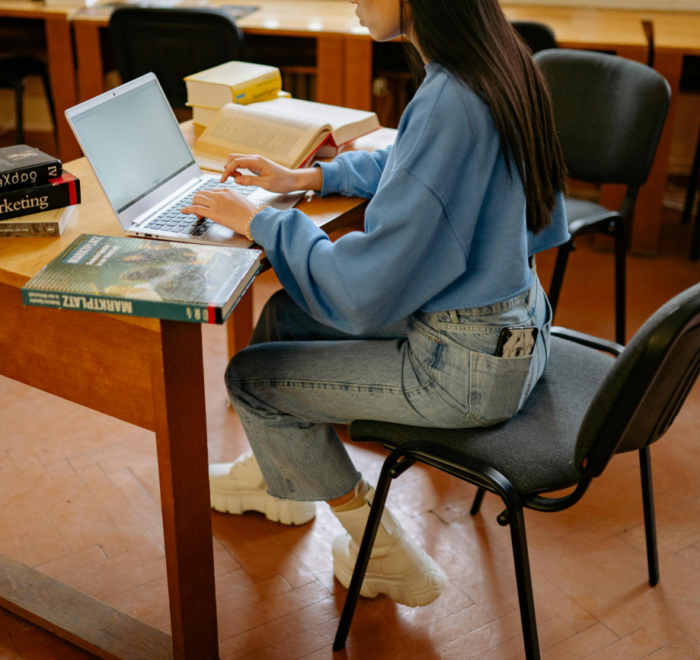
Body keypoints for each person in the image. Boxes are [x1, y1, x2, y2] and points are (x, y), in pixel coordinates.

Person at [182, 0, 568, 609]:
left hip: (464, 368)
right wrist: (309, 179)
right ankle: (278, 475)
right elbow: (416, 166)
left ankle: (385, 553)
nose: (355, 2)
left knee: (251, 380)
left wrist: (260, 220)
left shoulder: (449, 97)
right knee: (286, 315)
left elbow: (361, 291)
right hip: (516, 327)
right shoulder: (496, 63)